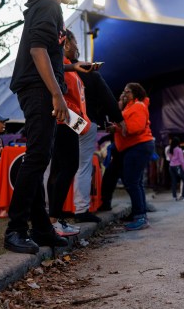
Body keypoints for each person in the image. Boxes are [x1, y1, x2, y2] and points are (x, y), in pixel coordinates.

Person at [4, 0, 86, 254]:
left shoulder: (44, 6)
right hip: (39, 90)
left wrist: (71, 66)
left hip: (36, 87)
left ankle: (40, 227)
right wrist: (57, 95)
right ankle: (15, 229)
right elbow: (38, 51)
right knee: (38, 158)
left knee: (39, 156)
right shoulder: (50, 6)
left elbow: (46, 52)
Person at [46, 31, 91, 237]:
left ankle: (54, 219)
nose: (76, 46)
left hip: (70, 121)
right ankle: (54, 219)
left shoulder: (69, 66)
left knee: (59, 169)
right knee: (67, 167)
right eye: (74, 42)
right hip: (64, 120)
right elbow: (60, 95)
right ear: (65, 44)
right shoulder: (59, 65)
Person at [74, 63, 125, 222]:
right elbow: (107, 97)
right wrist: (119, 119)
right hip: (84, 121)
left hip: (63, 120)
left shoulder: (55, 70)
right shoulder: (90, 74)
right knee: (83, 166)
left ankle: (52, 210)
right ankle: (81, 209)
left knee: (58, 168)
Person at [110, 83, 155, 230]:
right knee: (135, 182)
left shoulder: (138, 106)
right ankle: (139, 213)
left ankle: (140, 216)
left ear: (135, 93)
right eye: (123, 91)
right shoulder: (130, 106)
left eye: (127, 92)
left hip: (138, 146)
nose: (124, 94)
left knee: (132, 182)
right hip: (135, 147)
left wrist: (116, 128)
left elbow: (136, 127)